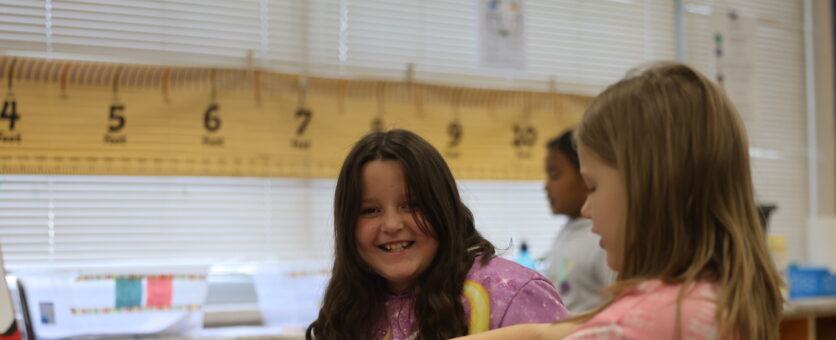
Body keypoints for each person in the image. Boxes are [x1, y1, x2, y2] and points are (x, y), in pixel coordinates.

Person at [453, 62, 784, 339]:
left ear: (649, 189)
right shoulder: (713, 297)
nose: (586, 207)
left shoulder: (627, 328)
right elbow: (543, 333)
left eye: (593, 187)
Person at [305, 129, 569, 340]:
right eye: (370, 210)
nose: (392, 224)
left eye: (411, 205)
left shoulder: (512, 292)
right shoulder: (349, 307)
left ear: (442, 208)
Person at [544, 130, 614, 314]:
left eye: (555, 175)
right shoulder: (567, 230)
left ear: (586, 176)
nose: (546, 186)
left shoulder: (604, 239)